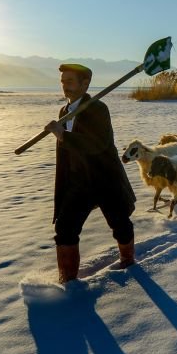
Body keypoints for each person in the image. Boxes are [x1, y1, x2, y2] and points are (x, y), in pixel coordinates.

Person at [44, 63, 137, 282]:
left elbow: (98, 144)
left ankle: (128, 262)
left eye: (70, 82)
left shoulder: (97, 109)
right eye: (62, 82)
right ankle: (67, 280)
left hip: (105, 178)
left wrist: (63, 136)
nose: (65, 87)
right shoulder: (65, 111)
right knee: (65, 228)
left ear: (85, 84)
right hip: (78, 182)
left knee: (119, 223)